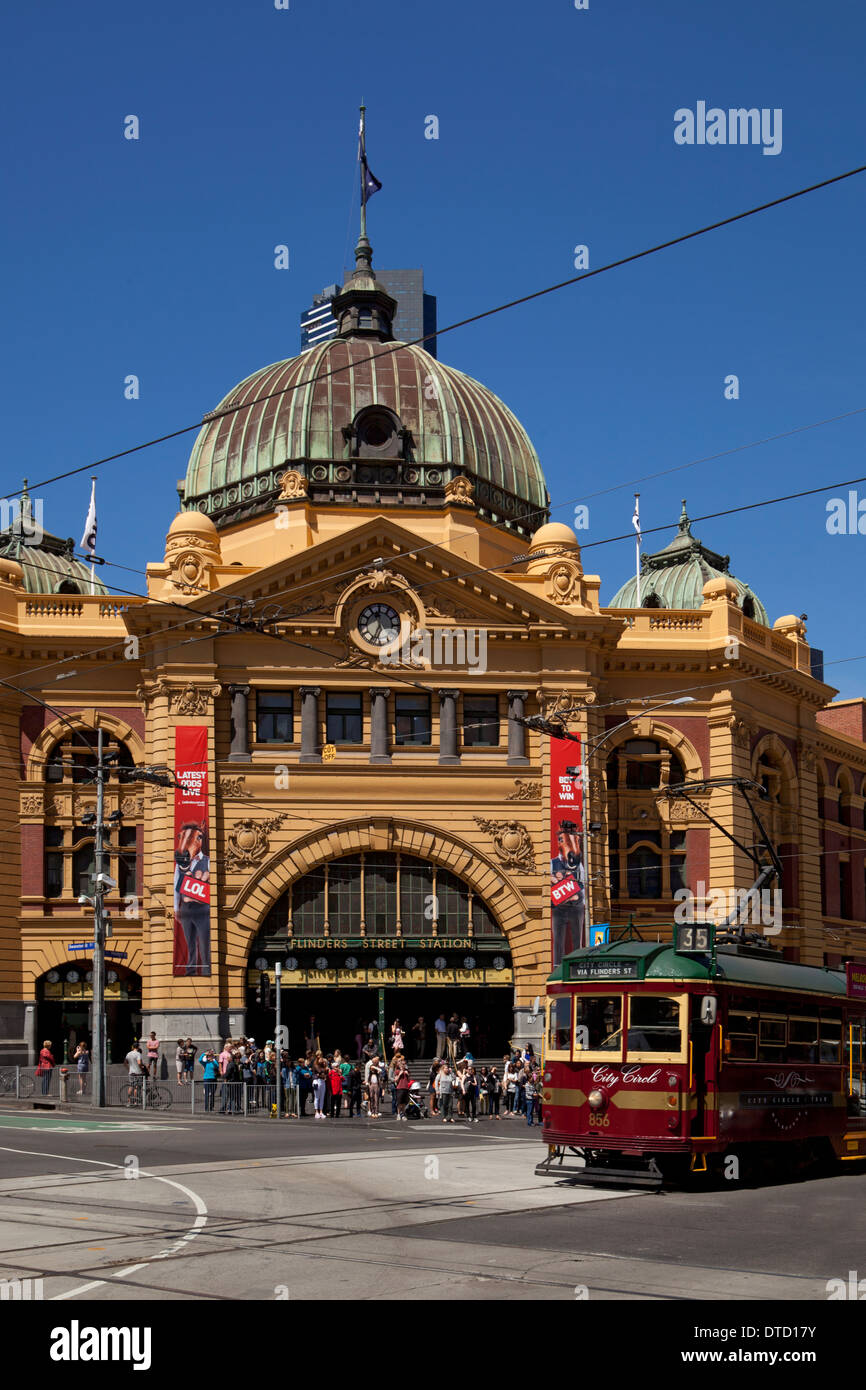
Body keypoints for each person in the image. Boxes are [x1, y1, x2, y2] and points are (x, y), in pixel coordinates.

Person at [174, 822, 211, 974]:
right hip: (186, 910)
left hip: (203, 910)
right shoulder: (180, 864)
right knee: (189, 944)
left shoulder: (208, 861)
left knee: (204, 944)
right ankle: (190, 972)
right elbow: (176, 886)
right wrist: (176, 908)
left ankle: (207, 971)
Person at [125, 1042, 145, 1106]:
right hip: (138, 1072)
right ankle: (135, 1101)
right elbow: (139, 1063)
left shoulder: (128, 1053)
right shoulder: (138, 1054)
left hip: (131, 1072)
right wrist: (142, 1068)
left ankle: (129, 1101)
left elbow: (125, 1063)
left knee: (131, 1086)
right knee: (136, 1087)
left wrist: (129, 1069)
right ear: (138, 1047)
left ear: (133, 1047)